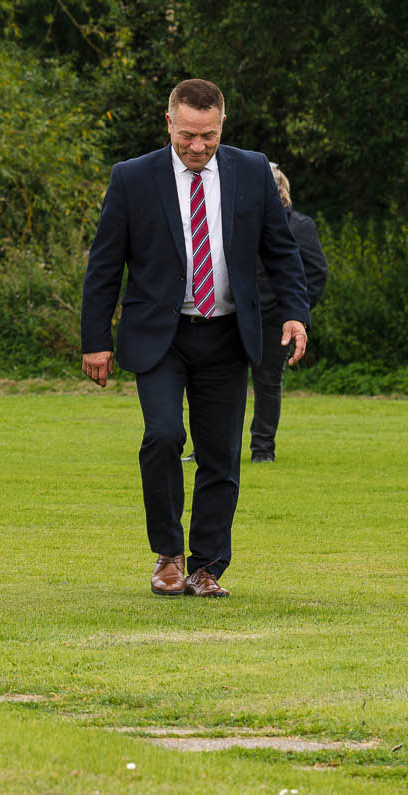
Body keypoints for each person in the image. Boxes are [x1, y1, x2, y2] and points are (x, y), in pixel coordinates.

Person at [79, 78, 308, 598]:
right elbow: (104, 265)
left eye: (207, 136)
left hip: (229, 335)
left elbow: (281, 251)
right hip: (161, 335)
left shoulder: (252, 171)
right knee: (162, 437)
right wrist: (96, 339)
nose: (198, 146)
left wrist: (295, 313)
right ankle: (168, 555)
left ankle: (207, 568)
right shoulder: (133, 178)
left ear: (222, 124)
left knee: (221, 454)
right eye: (187, 135)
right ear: (169, 123)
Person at [249, 163, 327, 461]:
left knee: (268, 383)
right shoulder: (240, 222)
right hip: (236, 314)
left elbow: (317, 272)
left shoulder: (299, 226)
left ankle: (263, 449)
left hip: (274, 319)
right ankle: (207, 448)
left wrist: (295, 313)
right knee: (217, 382)